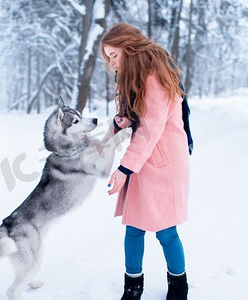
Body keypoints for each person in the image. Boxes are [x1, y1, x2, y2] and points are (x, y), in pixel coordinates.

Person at [101, 23, 192, 300]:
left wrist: (123, 169)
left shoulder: (154, 74)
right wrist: (124, 119)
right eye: (108, 57)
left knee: (165, 230)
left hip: (164, 162)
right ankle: (133, 286)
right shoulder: (136, 74)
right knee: (134, 227)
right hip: (142, 159)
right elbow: (140, 118)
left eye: (114, 55)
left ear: (129, 49)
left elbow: (151, 128)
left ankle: (178, 285)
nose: (111, 62)